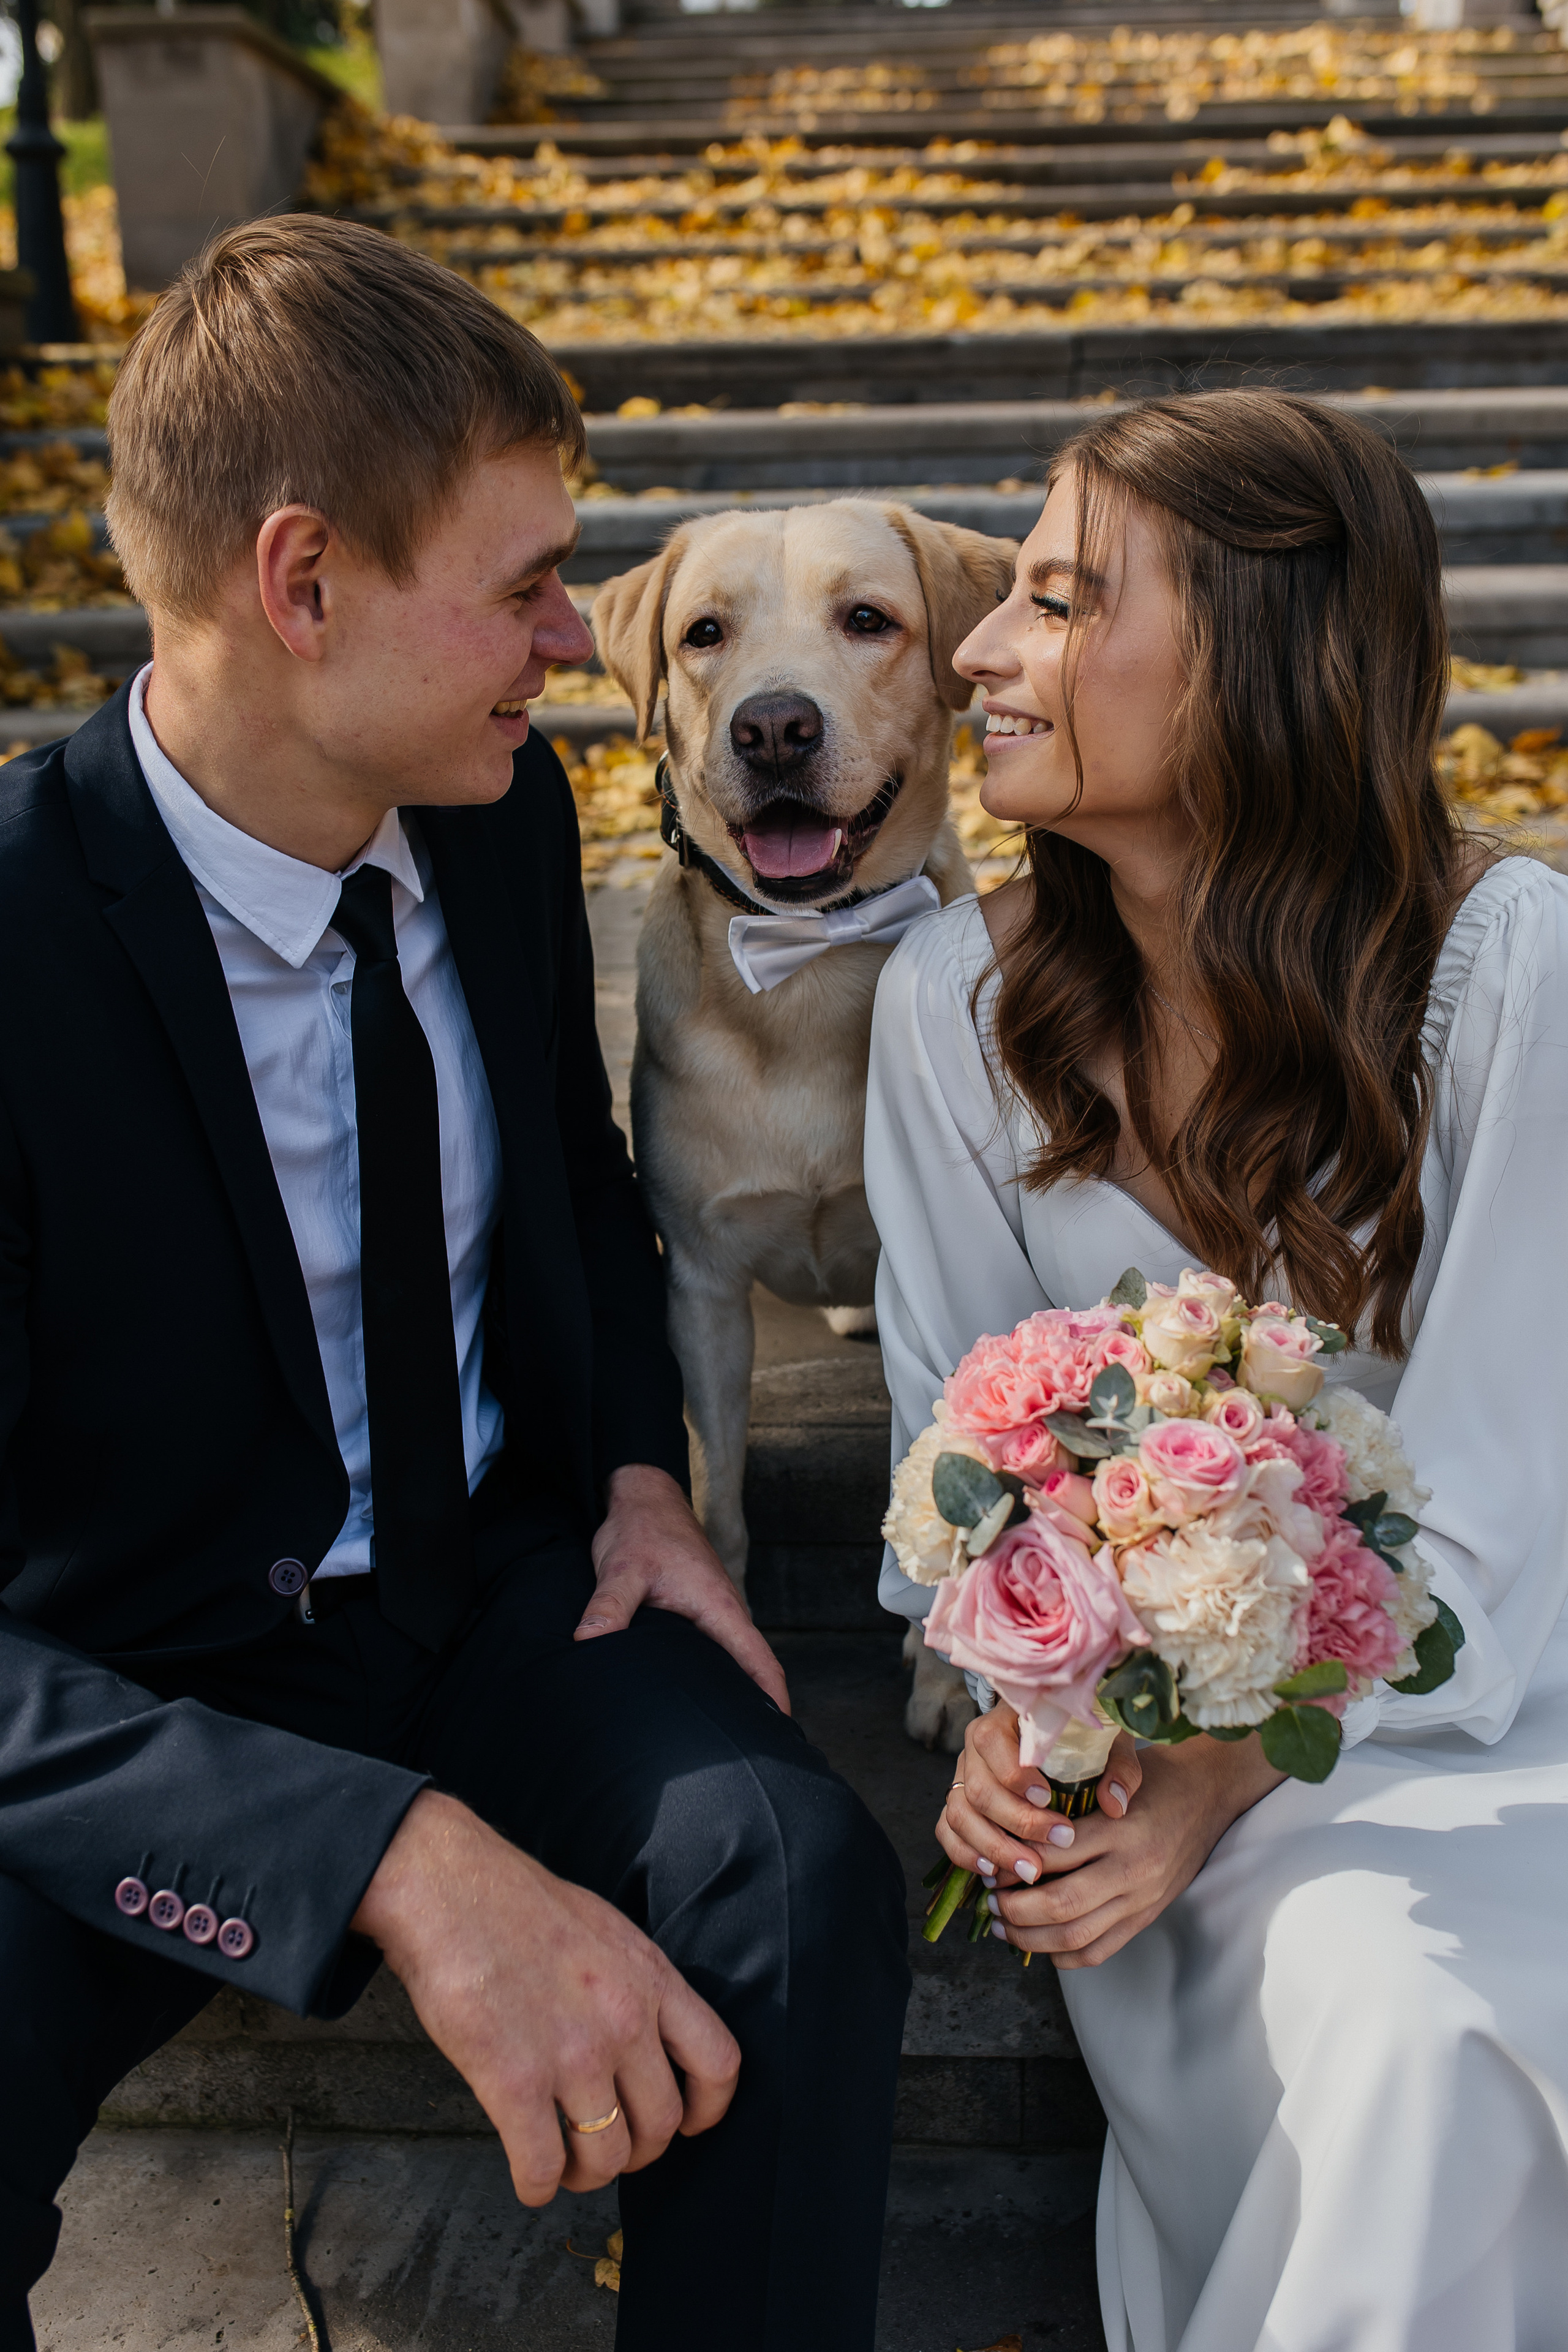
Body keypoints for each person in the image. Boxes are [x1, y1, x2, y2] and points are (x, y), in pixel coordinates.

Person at [0, 216, 909, 2352]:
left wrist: (635, 1471)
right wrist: (398, 1859)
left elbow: (582, 1193)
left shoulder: (496, 817)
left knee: (793, 1882)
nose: (578, 641)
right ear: (302, 587)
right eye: (522, 587)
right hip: (139, 1687)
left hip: (505, 1587)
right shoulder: (14, 940)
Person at [864, 388, 1568, 2351]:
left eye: (1064, 602)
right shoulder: (953, 1008)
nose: (981, 652)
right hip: (1156, 1794)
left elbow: (1508, 1496)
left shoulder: (1513, 973)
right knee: (1370, 2001)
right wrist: (1028, 1719)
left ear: (1267, 659)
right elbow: (953, 1467)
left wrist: (1212, 1775)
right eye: (1002, 597)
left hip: (1505, 1730)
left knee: (1423, 2018)